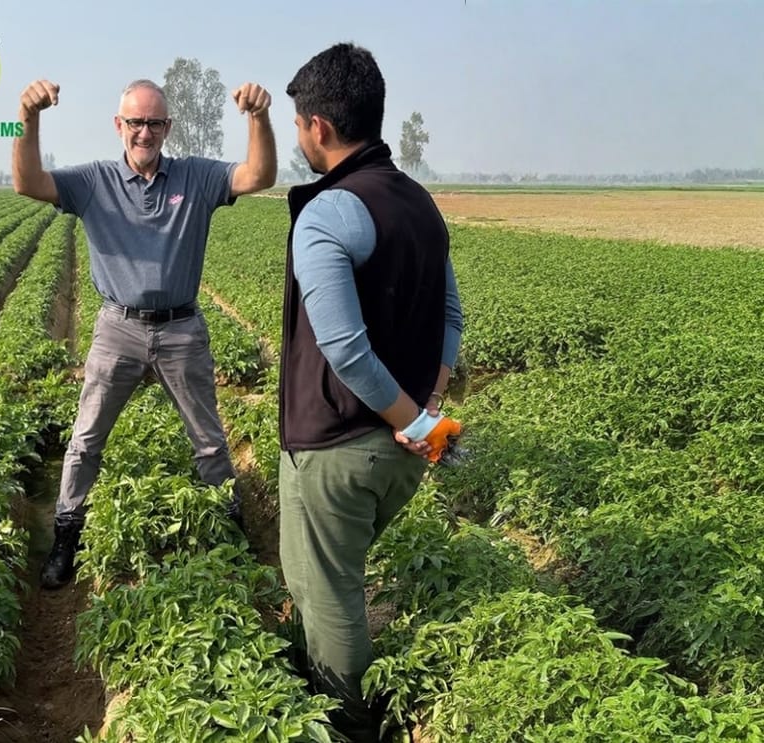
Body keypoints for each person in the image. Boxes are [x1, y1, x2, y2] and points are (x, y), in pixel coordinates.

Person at [12, 77, 277, 589]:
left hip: (182, 329)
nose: (145, 132)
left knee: (209, 442)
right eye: (136, 122)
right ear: (120, 126)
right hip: (118, 329)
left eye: (155, 123)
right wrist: (29, 117)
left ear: (167, 128)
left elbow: (258, 175)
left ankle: (232, 532)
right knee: (86, 440)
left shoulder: (195, 177)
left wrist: (258, 118)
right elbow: (28, 183)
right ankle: (66, 537)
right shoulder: (93, 182)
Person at [278, 44, 464, 742]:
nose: (300, 136)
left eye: (299, 124)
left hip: (339, 449)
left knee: (332, 604)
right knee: (329, 578)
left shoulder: (328, 215)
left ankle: (351, 726)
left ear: (319, 127)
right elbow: (451, 318)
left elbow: (346, 349)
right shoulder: (420, 203)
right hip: (401, 454)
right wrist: (425, 414)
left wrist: (412, 419)